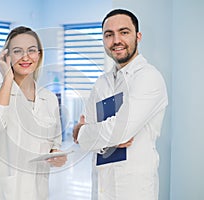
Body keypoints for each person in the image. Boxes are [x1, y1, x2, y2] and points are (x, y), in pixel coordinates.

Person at [73, 9, 168, 200]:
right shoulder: (101, 82)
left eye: (124, 32)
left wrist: (82, 132)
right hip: (101, 186)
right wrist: (99, 136)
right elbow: (92, 132)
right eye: (109, 35)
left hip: (133, 189)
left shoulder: (149, 78)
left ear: (138, 36)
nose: (116, 40)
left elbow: (116, 131)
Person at [0, 26, 67, 200]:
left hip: (38, 190)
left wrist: (57, 156)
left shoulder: (49, 98)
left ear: (39, 55)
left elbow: (55, 142)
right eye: (17, 51)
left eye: (31, 50)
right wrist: (8, 78)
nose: (26, 57)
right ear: (7, 57)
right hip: (3, 191)